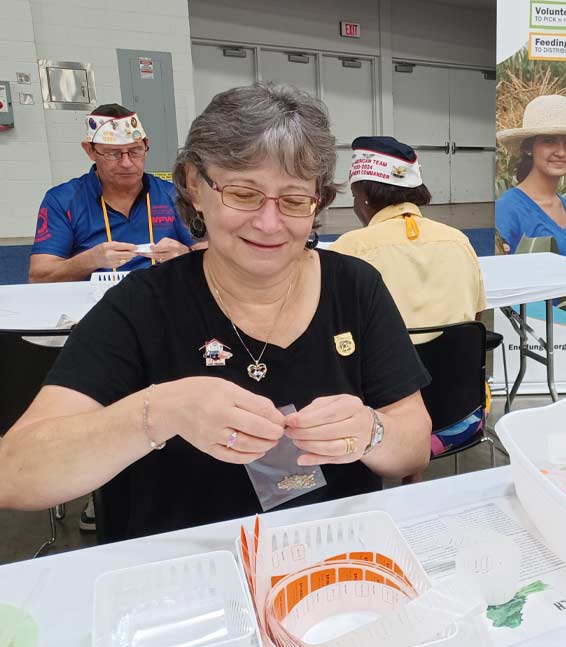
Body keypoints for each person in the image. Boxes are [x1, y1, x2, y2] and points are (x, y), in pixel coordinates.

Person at [0, 84, 432, 540]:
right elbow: (15, 473)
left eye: (293, 200)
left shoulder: (354, 287)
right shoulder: (143, 306)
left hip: (332, 563)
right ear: (193, 185)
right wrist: (158, 411)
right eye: (243, 194)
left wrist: (372, 430)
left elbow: (413, 448)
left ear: (318, 202)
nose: (269, 223)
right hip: (183, 576)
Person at [330, 136, 488, 459]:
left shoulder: (350, 249)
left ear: (361, 195)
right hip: (461, 415)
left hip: (383, 426)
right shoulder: (459, 242)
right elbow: (476, 321)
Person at [330, 136, 486, 331]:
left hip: (384, 361)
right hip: (456, 361)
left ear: (366, 197)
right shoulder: (459, 242)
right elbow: (475, 316)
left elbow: (332, 320)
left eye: (355, 196)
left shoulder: (350, 248)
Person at [29, 103, 197, 282]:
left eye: (135, 151)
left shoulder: (172, 194)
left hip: (163, 295)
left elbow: (213, 253)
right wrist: (89, 260)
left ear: (146, 145)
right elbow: (39, 276)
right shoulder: (63, 200)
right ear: (90, 150)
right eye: (113, 154)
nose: (126, 163)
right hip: (95, 301)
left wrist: (186, 255)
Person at [495, 94, 566, 318]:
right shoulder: (507, 210)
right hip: (534, 341)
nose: (562, 152)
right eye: (549, 141)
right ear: (529, 148)